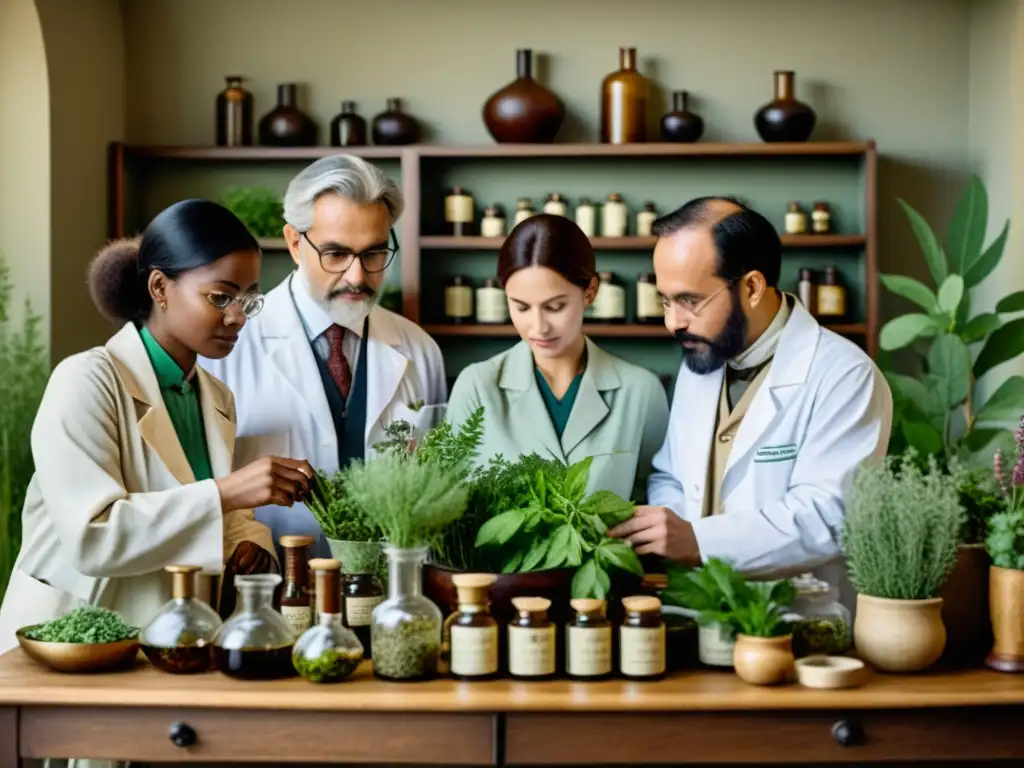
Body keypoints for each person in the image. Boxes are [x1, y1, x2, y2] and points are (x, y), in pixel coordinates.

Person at [0, 200, 316, 659]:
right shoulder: (87, 380)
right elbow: (93, 536)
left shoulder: (216, 398)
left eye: (249, 298)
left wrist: (249, 546)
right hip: (66, 648)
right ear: (159, 287)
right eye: (221, 297)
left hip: (169, 644)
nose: (238, 317)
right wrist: (229, 491)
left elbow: (221, 521)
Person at [609, 197, 892, 608]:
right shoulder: (701, 361)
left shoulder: (844, 375)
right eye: (665, 300)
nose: (673, 322)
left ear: (753, 287)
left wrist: (698, 540)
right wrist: (668, 529)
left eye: (690, 301)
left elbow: (829, 518)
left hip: (797, 621)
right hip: (696, 609)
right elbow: (670, 476)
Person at [200, 155, 446, 557]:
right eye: (335, 254)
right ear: (295, 243)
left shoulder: (418, 349)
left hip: (390, 590)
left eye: (374, 253)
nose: (357, 277)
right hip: (272, 583)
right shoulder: (227, 346)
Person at [445, 214, 669, 501]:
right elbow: (452, 507)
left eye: (555, 307)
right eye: (522, 307)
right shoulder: (476, 386)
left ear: (590, 292)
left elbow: (658, 505)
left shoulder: (642, 391)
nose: (538, 327)